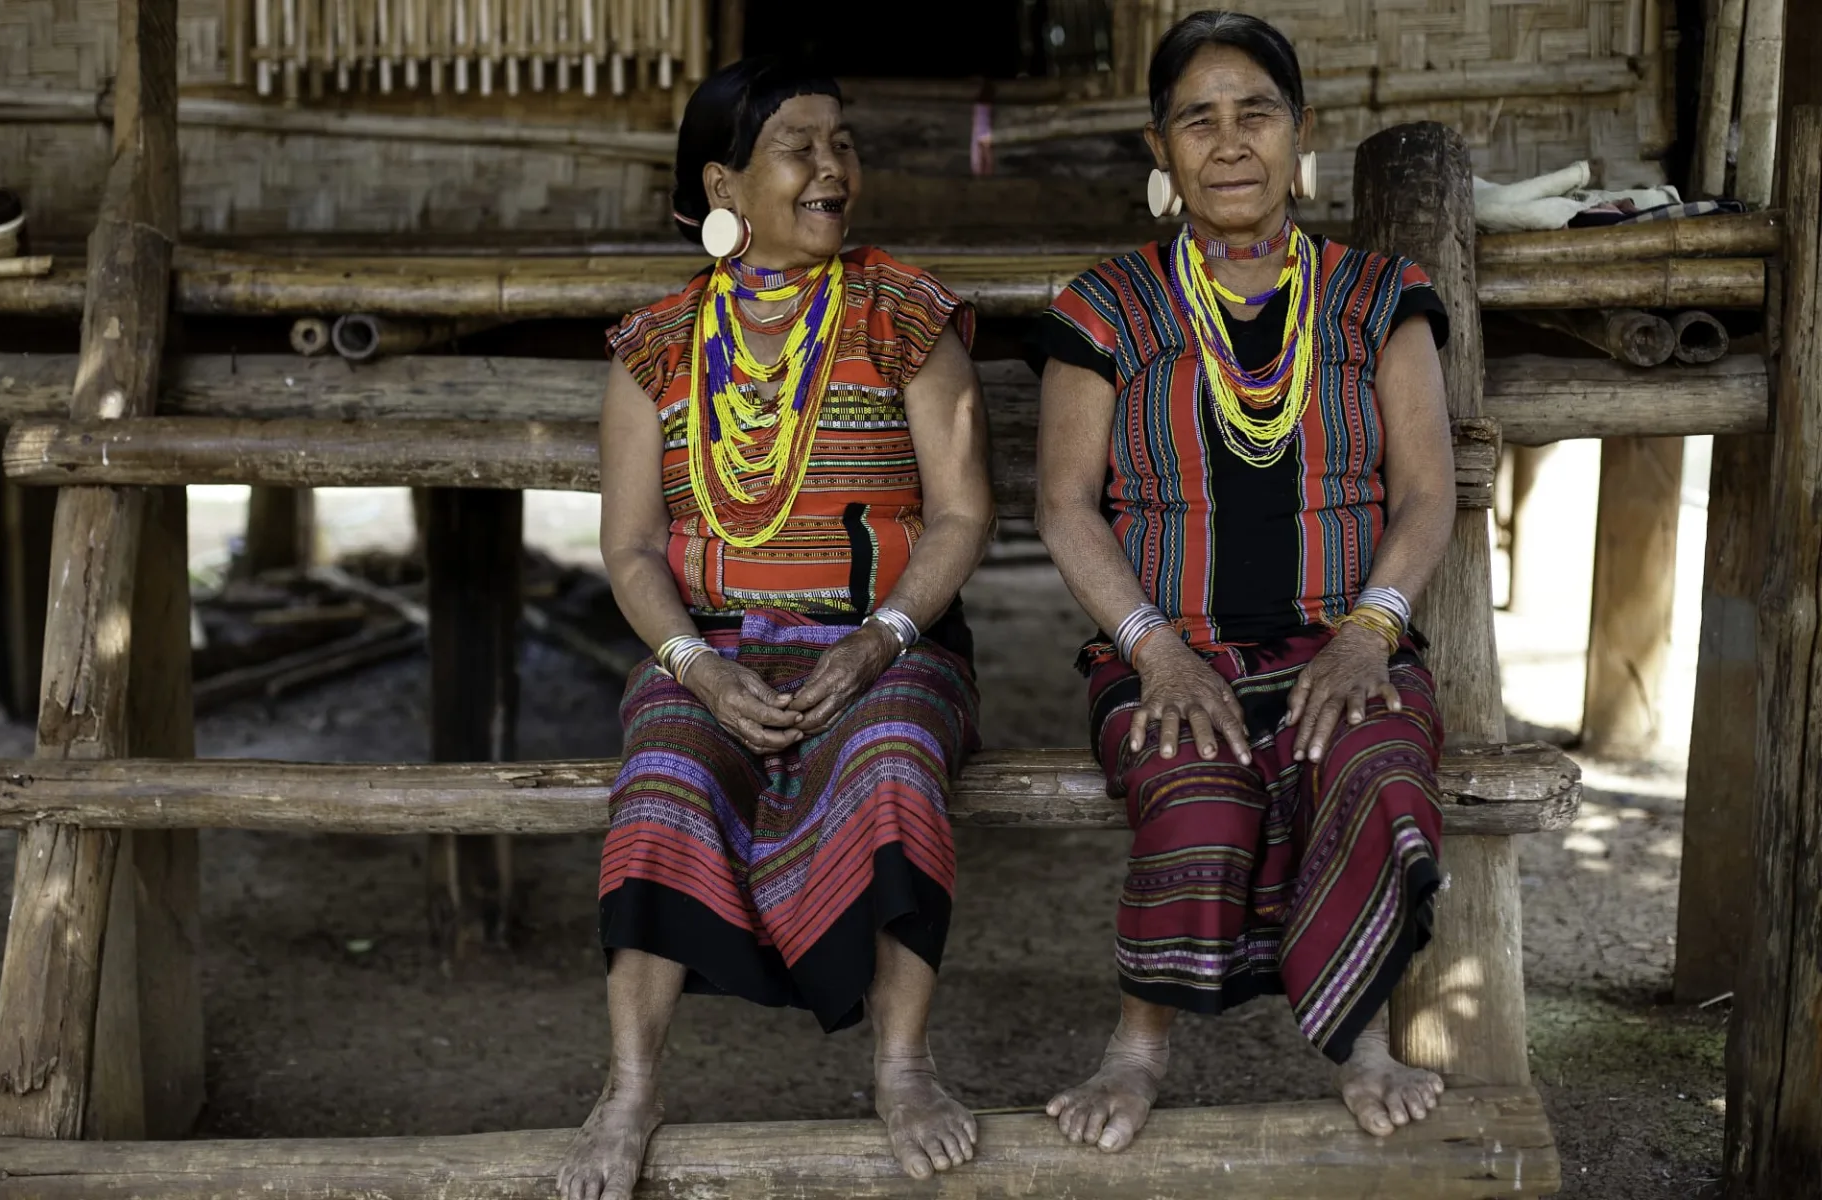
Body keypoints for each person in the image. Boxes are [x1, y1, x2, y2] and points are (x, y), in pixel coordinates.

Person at [557, 56, 993, 1200]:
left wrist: (882, 637)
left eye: (842, 144)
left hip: (884, 640)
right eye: (798, 147)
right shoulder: (653, 346)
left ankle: (904, 1065)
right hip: (709, 645)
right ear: (723, 182)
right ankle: (633, 1087)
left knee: (893, 758)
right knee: (660, 776)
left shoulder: (907, 310)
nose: (831, 168)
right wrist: (694, 666)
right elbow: (632, 551)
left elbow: (959, 514)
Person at [1033, 9, 1459, 1151]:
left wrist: (1372, 632)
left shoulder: (1378, 297)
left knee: (1367, 756)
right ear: (1160, 149)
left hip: (1347, 634)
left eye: (1255, 113)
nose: (1229, 143)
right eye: (1197, 120)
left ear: (1299, 132)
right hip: (1171, 647)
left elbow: (1427, 492)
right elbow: (1064, 504)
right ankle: (1136, 1048)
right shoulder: (1106, 306)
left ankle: (1363, 1035)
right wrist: (1153, 648)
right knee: (1200, 784)